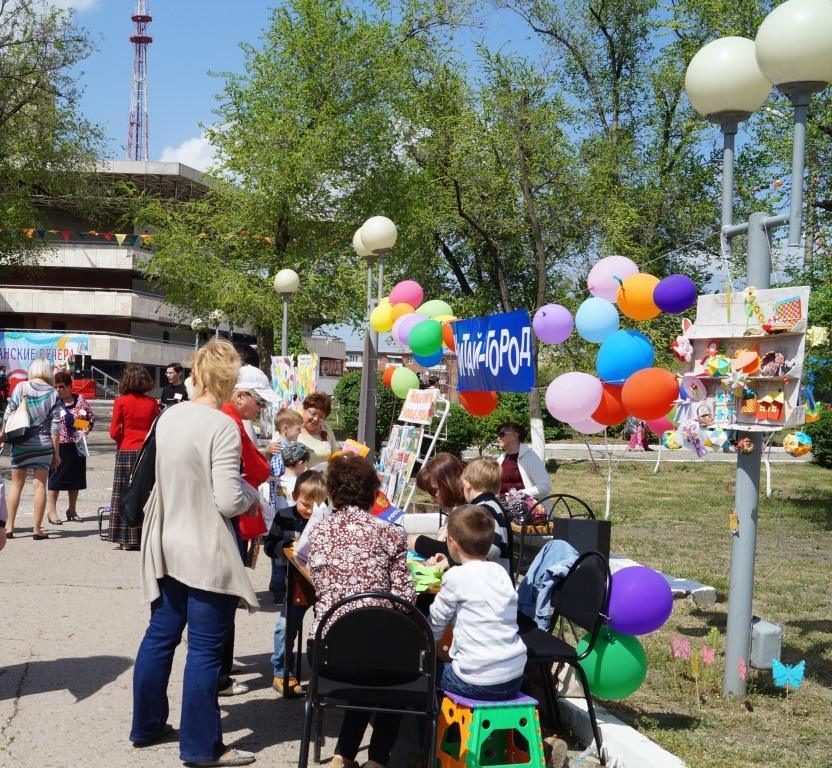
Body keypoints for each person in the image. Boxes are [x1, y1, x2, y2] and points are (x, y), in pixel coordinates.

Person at [131, 339, 261, 767]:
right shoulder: (220, 426)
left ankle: (147, 725)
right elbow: (227, 499)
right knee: (205, 650)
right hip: (204, 546)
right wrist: (251, 493)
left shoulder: (170, 415)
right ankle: (203, 747)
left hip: (166, 540)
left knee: (160, 636)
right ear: (228, 379)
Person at [307, 454, 416, 768]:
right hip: (373, 651)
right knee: (389, 663)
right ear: (372, 492)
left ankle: (342, 756)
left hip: (326, 654)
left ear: (333, 491)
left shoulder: (318, 532)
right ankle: (378, 759)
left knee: (363, 656)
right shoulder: (390, 532)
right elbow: (404, 600)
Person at [218, 364, 277, 697]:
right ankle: (221, 673)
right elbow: (258, 468)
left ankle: (223, 666)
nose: (260, 410)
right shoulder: (230, 422)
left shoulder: (223, 416)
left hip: (220, 519)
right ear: (241, 396)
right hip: (231, 520)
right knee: (226, 599)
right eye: (259, 403)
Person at [428, 504, 527, 700]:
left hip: (477, 681)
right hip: (515, 676)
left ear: (452, 543)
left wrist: (431, 646)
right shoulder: (500, 573)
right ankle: (483, 730)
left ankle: (443, 728)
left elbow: (437, 622)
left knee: (429, 672)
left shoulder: (456, 576)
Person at [264, 469, 327, 697]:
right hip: (294, 579)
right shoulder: (284, 516)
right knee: (285, 626)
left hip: (319, 580)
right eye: (305, 504)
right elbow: (269, 545)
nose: (309, 511)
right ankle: (282, 670)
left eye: (315, 506)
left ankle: (325, 671)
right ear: (294, 496)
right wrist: (284, 548)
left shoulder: (325, 519)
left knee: (326, 626)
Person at [0, 358, 62, 539]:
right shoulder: (53, 393)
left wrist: (3, 435)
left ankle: (9, 527)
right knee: (40, 485)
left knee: (16, 485)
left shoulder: (21, 387)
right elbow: (55, 427)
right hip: (43, 445)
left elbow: (8, 413)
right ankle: (37, 529)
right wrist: (56, 453)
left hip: (21, 442)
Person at [108, 364, 159, 551]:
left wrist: (123, 440)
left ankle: (125, 539)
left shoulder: (121, 401)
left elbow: (114, 431)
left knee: (123, 493)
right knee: (143, 494)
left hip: (126, 449)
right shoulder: (152, 403)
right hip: (146, 452)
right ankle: (142, 536)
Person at [46, 370, 95, 523]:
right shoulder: (52, 402)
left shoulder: (80, 399)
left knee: (76, 479)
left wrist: (83, 427)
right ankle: (52, 512)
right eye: (56, 387)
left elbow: (90, 418)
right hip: (58, 446)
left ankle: (72, 510)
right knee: (56, 479)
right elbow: (46, 422)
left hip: (77, 445)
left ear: (70, 386)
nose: (58, 390)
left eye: (62, 387)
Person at [267, 433, 309, 605]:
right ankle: (282, 593)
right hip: (292, 525)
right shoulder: (297, 485)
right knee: (288, 563)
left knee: (277, 560)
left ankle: (276, 590)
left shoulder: (278, 480)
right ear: (300, 464)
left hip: (278, 522)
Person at [409, 453, 467, 562]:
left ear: (448, 483)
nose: (433, 498)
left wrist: (418, 542)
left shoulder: (467, 513)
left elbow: (459, 553)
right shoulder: (455, 510)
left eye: (433, 491)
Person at [461, 458, 512, 575]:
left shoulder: (483, 509)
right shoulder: (494, 505)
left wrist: (464, 562)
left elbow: (493, 548)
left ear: (467, 484)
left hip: (492, 584)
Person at [495, 422, 552, 500]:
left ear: (515, 435)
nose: (498, 438)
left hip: (527, 509)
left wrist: (516, 495)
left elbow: (545, 486)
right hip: (502, 506)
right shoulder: (501, 459)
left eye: (501, 434)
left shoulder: (530, 458)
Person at [297, 392, 339, 469]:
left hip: (323, 480)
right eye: (313, 414)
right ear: (304, 409)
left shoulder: (326, 430)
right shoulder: (291, 428)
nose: (316, 419)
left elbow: (334, 455)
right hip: (299, 480)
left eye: (321, 417)